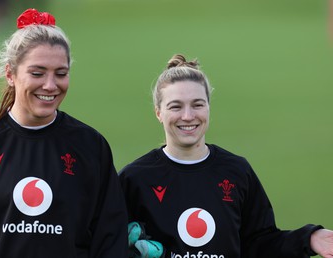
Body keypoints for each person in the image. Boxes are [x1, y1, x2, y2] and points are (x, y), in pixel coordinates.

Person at [0, 8, 128, 258]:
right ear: (10, 74)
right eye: (37, 73)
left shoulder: (90, 146)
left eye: (61, 73)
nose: (50, 85)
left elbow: (109, 240)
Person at [119, 54, 333, 258]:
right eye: (176, 106)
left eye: (197, 104)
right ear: (158, 112)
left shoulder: (236, 171)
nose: (188, 116)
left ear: (209, 107)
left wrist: (309, 238)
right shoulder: (134, 179)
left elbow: (260, 244)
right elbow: (104, 241)